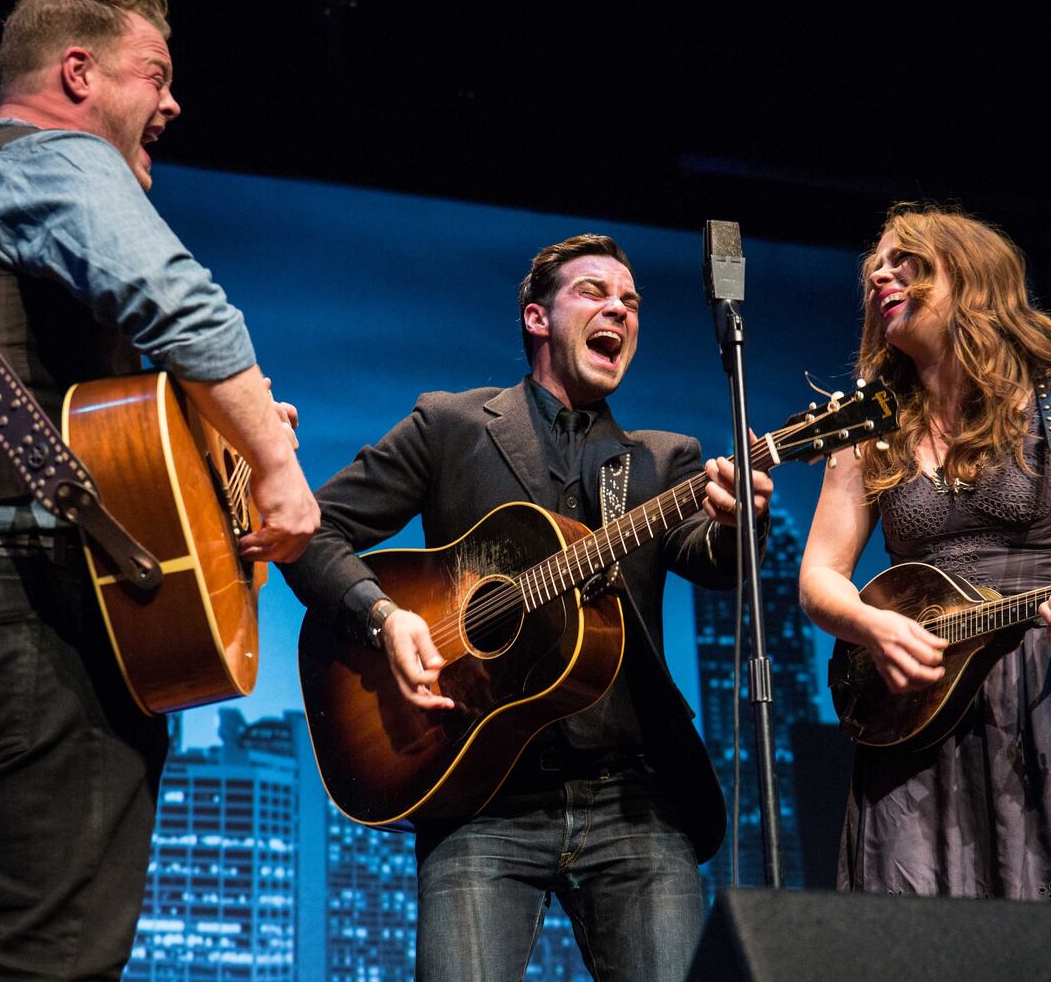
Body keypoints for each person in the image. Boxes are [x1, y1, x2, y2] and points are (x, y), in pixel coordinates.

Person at [0, 0, 320, 979]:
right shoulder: (48, 158)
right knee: (47, 965)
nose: (173, 103)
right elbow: (182, 305)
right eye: (157, 76)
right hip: (24, 617)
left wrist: (216, 444)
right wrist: (276, 468)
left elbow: (79, 414)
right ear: (78, 74)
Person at [282, 234, 774, 980]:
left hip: (635, 802)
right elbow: (312, 529)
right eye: (594, 292)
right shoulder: (451, 425)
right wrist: (386, 617)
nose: (620, 308)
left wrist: (745, 521)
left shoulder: (661, 459)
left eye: (632, 301)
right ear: (537, 318)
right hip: (481, 794)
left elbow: (714, 562)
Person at [797, 203, 1051, 907]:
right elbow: (819, 577)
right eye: (875, 268)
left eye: (907, 261)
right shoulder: (868, 427)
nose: (881, 275)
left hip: (1046, 700)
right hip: (916, 711)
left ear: (970, 278)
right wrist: (875, 627)